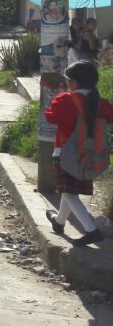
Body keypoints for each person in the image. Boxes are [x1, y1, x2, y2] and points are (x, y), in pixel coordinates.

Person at [44, 61, 110, 247]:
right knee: (69, 190)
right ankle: (59, 222)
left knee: (68, 192)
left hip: (65, 153)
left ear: (73, 82)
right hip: (89, 155)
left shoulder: (64, 100)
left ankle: (91, 231)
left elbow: (49, 117)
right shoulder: (101, 103)